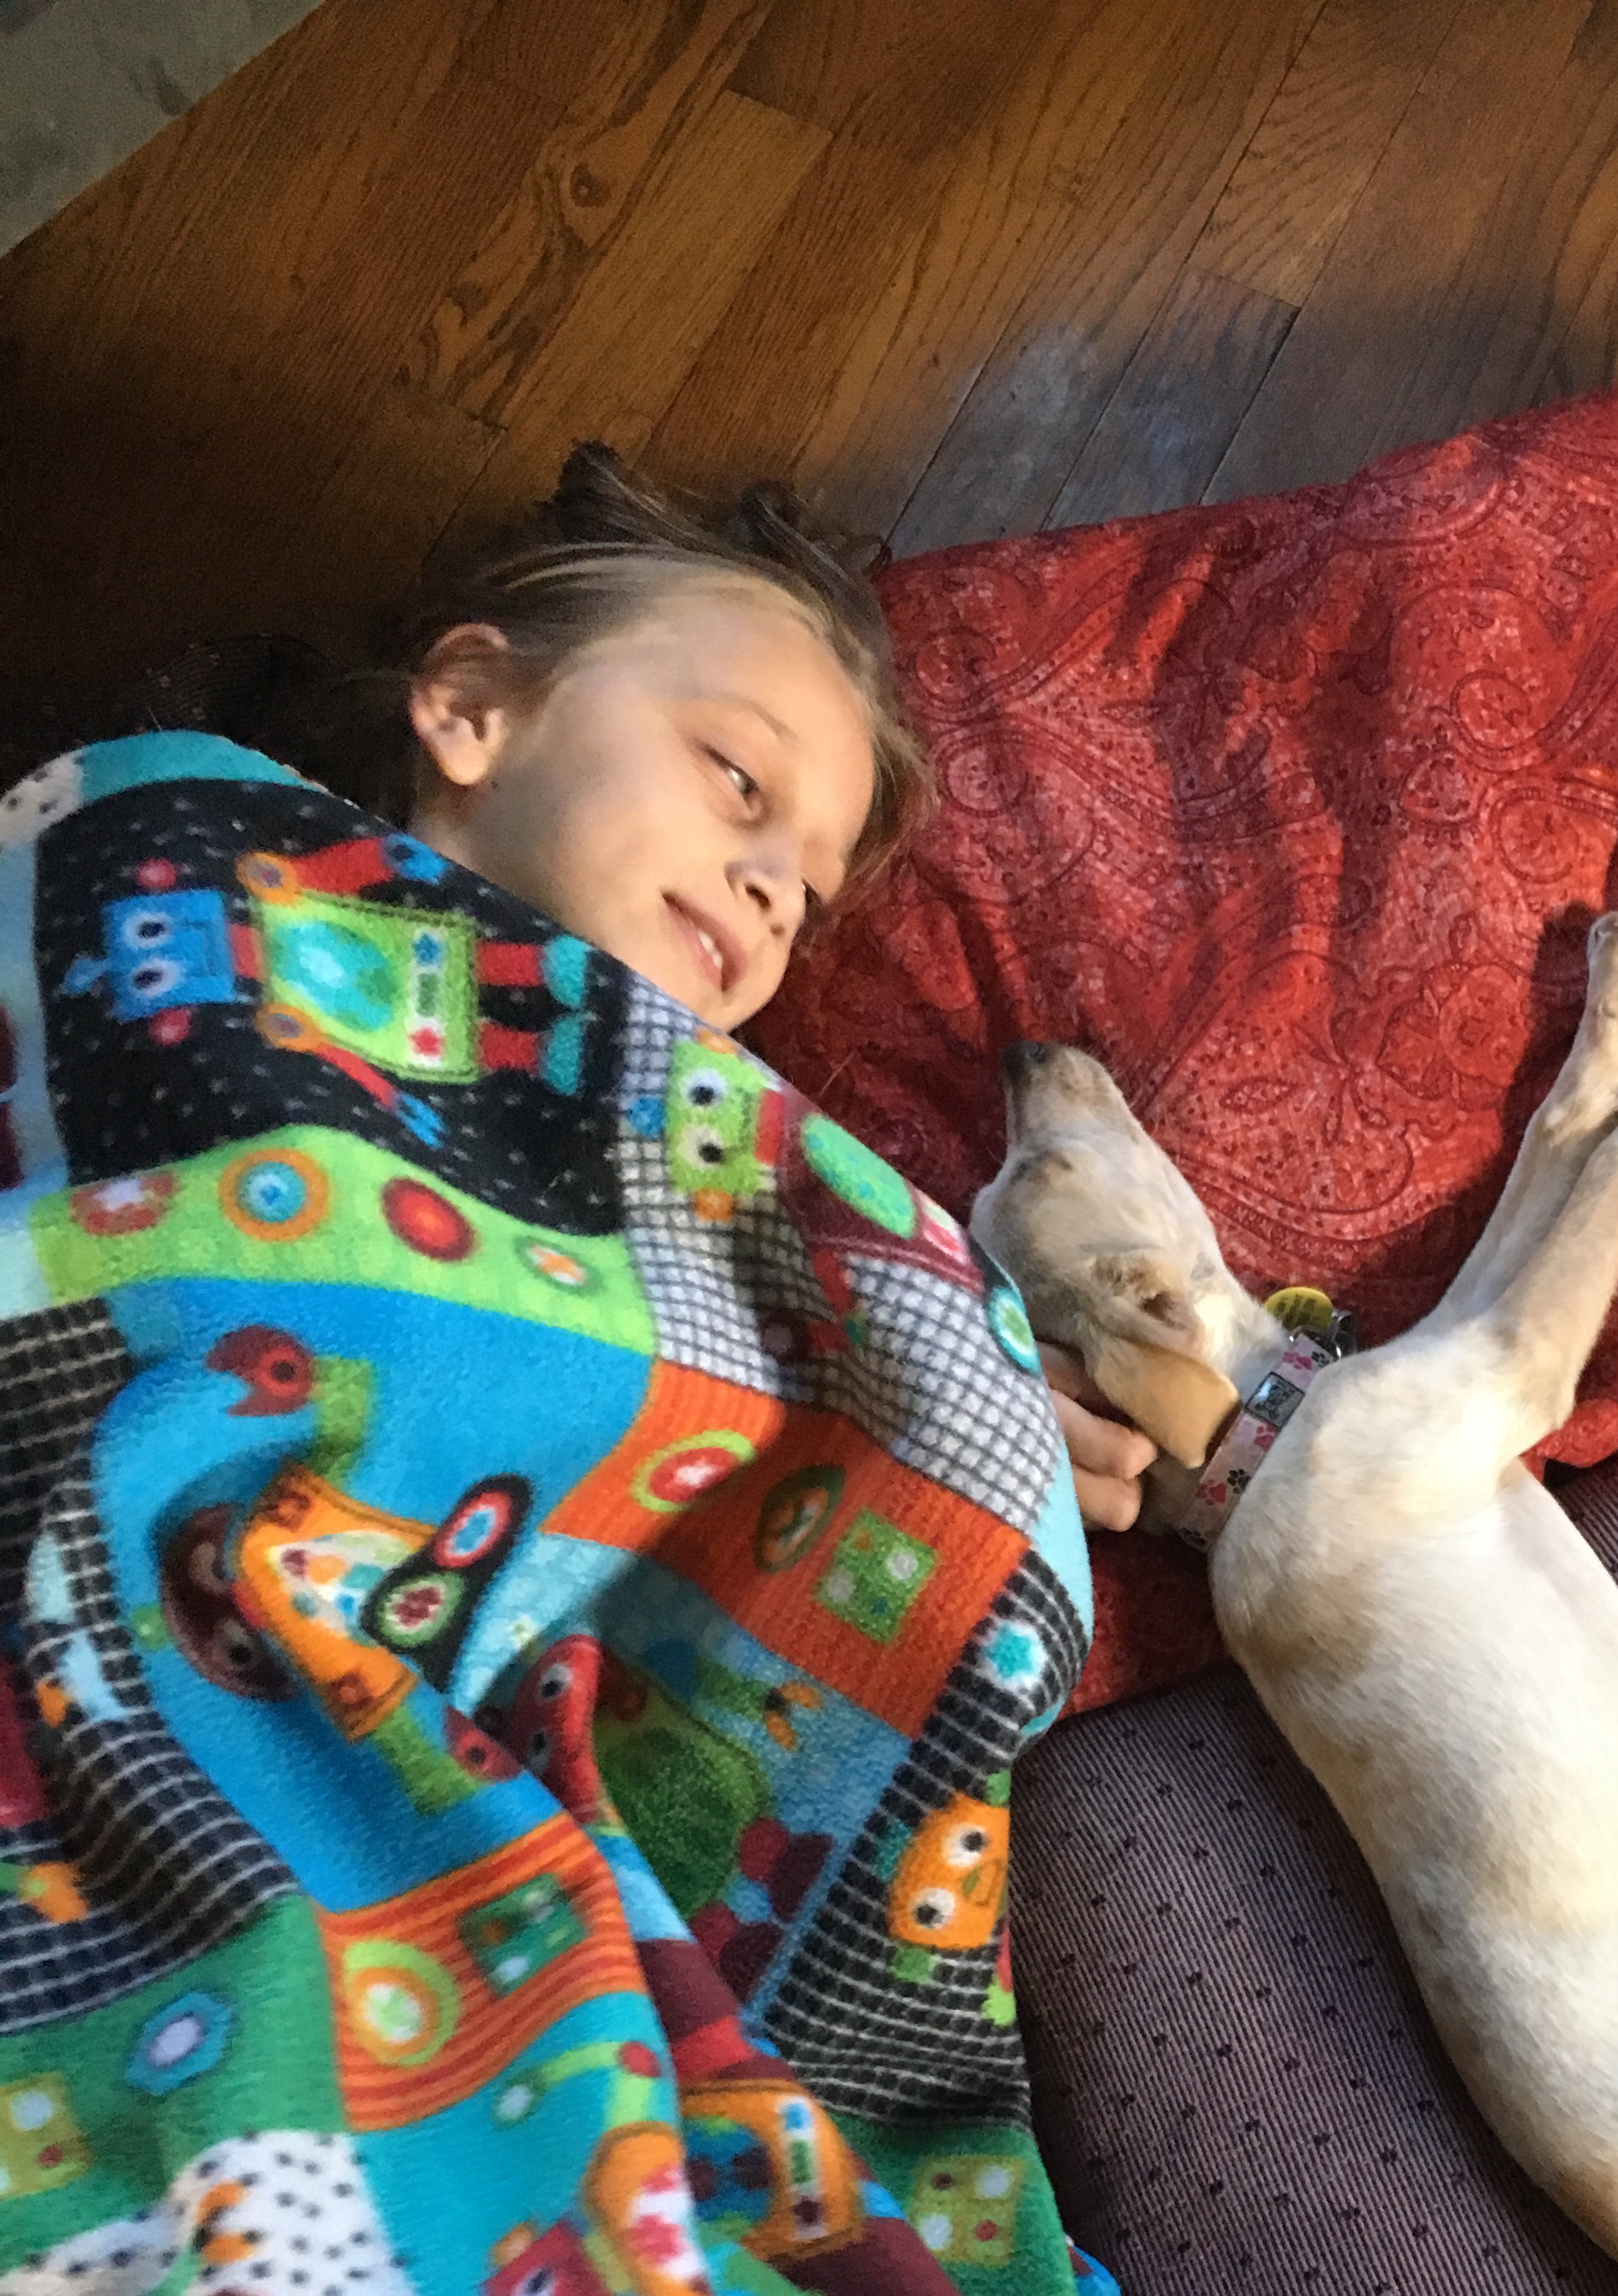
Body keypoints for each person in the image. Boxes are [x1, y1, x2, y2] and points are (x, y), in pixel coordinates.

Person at [301, 437, 1158, 1530]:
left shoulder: (691, 1172)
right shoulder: (202, 867)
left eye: (809, 895)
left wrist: (916, 1402)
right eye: (738, 776)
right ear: (476, 704)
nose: (775, 895)